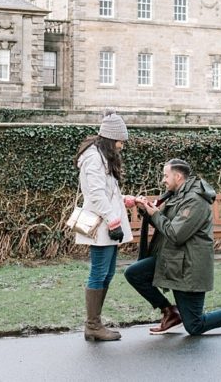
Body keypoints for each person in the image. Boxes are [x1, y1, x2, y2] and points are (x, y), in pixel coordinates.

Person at [124, 158, 221, 336]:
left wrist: (155, 214)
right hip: (173, 260)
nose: (163, 180)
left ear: (178, 176)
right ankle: (169, 313)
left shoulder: (195, 200)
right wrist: (146, 209)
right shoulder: (178, 194)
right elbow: (164, 221)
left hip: (189, 266)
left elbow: (175, 234)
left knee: (195, 325)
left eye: (166, 176)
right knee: (135, 273)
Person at [74, 111, 133, 342]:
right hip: (102, 225)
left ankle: (96, 322)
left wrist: (123, 199)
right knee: (99, 272)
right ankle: (92, 325)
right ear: (110, 139)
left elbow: (106, 191)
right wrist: (113, 220)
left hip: (108, 223)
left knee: (106, 273)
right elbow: (96, 194)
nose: (121, 145)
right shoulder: (94, 158)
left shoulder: (102, 156)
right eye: (120, 141)